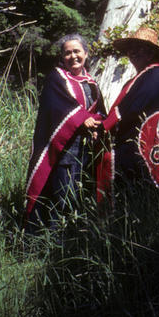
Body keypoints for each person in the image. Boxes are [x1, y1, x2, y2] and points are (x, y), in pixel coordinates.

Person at [25, 34, 105, 232]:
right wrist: (81, 118)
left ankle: (74, 236)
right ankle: (54, 237)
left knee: (79, 192)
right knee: (62, 191)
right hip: (63, 148)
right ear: (62, 56)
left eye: (77, 51)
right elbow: (57, 106)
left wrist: (97, 124)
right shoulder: (56, 78)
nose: (73, 56)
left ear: (86, 53)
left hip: (85, 149)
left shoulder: (91, 82)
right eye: (67, 53)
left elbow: (98, 110)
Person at [100, 26, 159, 197]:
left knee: (150, 192)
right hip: (135, 147)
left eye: (139, 48)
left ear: (151, 53)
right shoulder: (139, 78)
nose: (132, 52)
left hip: (149, 147)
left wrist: (104, 126)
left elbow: (133, 106)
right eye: (130, 48)